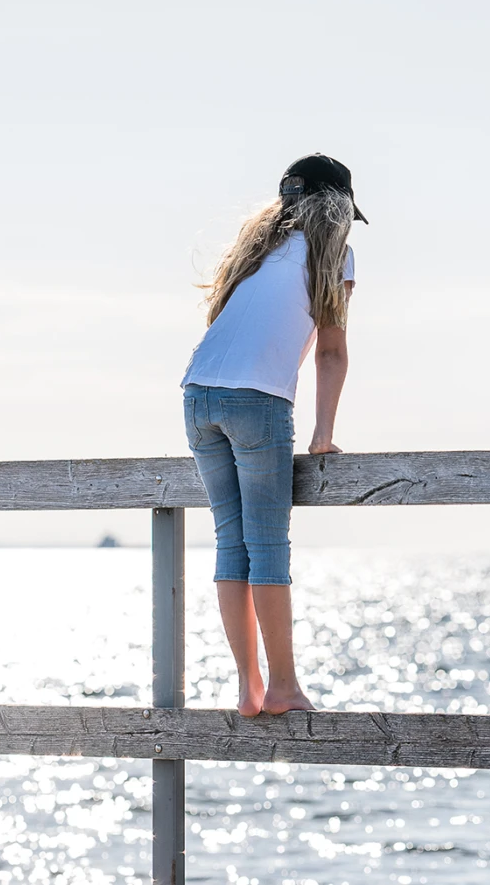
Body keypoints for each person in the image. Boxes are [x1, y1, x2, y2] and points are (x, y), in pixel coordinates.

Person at [180, 153, 364, 717]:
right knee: (267, 547)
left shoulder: (254, 251)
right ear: (336, 209)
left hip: (197, 394)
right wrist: (322, 434)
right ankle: (283, 687)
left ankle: (249, 687)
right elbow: (330, 352)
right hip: (257, 401)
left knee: (231, 544)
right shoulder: (336, 255)